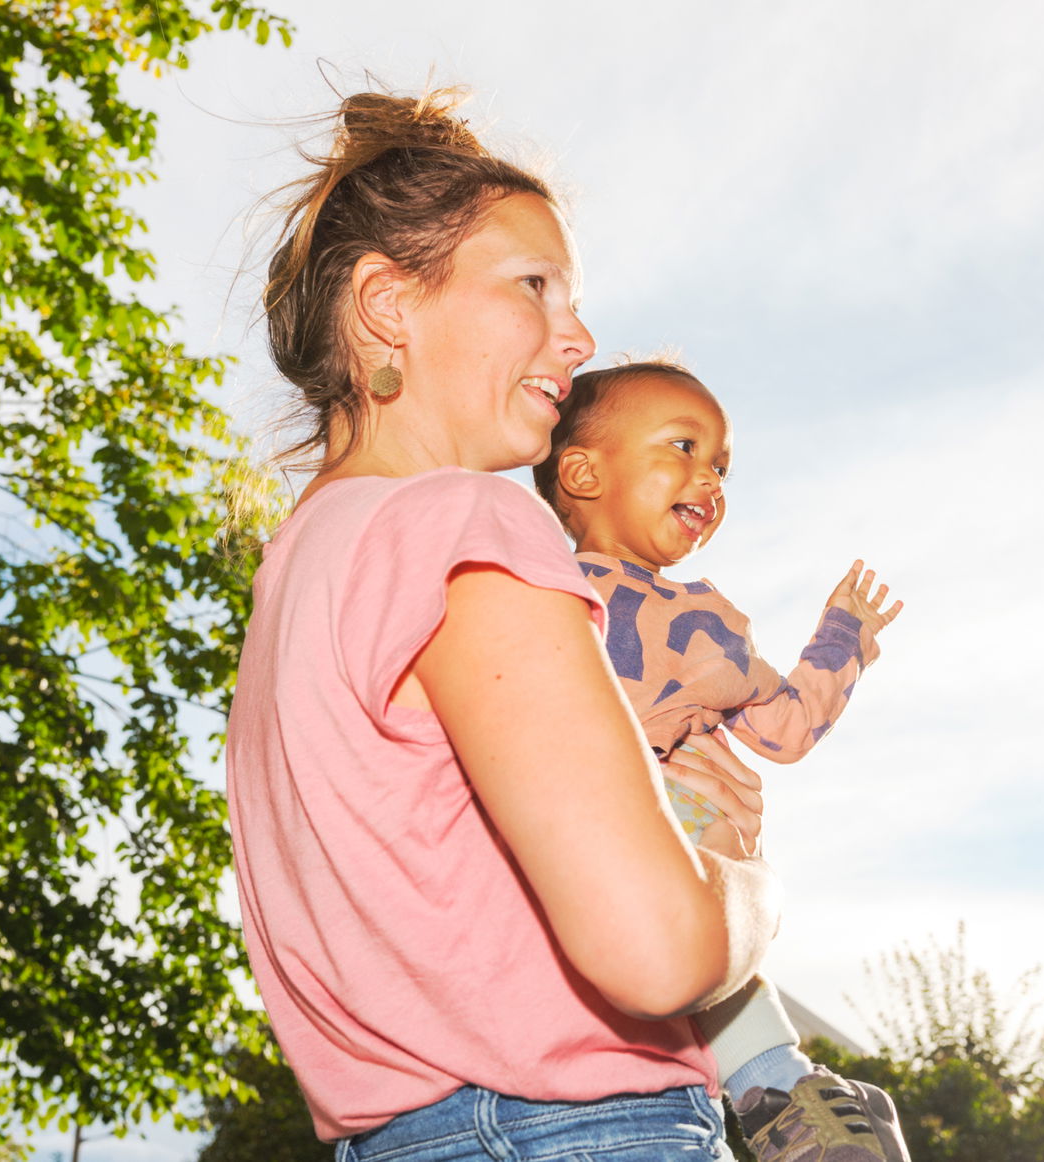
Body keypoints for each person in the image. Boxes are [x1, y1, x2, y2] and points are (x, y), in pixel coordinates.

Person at [225, 90, 781, 1162]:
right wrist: (746, 880)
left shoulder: (292, 577)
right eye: (534, 285)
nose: (577, 337)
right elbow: (659, 952)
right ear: (387, 303)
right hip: (582, 1132)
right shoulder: (465, 523)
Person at [533, 361, 911, 1162]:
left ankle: (783, 1092)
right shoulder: (561, 596)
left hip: (644, 832)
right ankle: (787, 1095)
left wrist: (841, 638)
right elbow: (786, 730)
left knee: (693, 950)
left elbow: (781, 730)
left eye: (721, 467)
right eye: (684, 447)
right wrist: (838, 644)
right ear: (584, 473)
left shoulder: (675, 615)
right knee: (690, 947)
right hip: (628, 824)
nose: (709, 478)